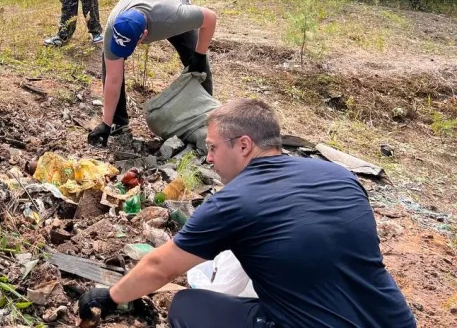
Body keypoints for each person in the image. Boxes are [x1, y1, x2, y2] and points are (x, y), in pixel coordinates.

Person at [77, 98, 416, 328]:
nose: (208, 158)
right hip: (393, 319)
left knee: (186, 307)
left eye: (212, 148)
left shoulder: (234, 201)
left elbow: (159, 267)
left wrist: (109, 296)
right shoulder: (341, 176)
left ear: (243, 145)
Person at [87, 0, 216, 147]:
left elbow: (210, 18)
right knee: (110, 61)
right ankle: (117, 122)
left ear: (144, 35)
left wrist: (200, 54)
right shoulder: (114, 27)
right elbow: (113, 79)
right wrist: (105, 123)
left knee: (198, 62)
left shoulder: (174, 17)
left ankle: (207, 120)